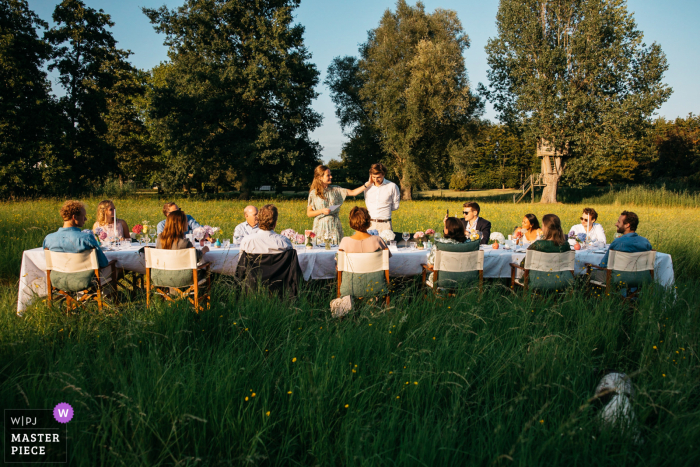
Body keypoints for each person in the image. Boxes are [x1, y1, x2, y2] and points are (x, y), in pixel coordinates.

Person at [306, 165, 373, 241]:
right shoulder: (313, 193)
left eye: (330, 174)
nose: (331, 177)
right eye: (328, 175)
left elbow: (353, 192)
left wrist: (368, 183)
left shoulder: (336, 190)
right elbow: (309, 213)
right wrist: (321, 211)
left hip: (334, 226)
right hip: (320, 227)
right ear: (320, 177)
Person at [44, 200, 109, 268]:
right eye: (83, 216)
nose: (86, 219)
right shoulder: (87, 238)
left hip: (58, 278)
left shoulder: (48, 239)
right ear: (74, 217)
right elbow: (103, 263)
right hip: (84, 277)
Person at [425, 217, 468, 286]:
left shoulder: (439, 244)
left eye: (445, 227)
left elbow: (430, 265)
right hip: (466, 279)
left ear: (447, 230)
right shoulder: (470, 243)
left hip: (443, 280)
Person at [364, 163, 400, 232]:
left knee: (386, 243)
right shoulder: (367, 187)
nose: (376, 180)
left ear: (383, 174)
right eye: (373, 177)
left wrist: (385, 208)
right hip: (371, 224)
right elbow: (367, 203)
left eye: (378, 177)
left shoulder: (392, 186)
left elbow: (395, 206)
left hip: (385, 224)